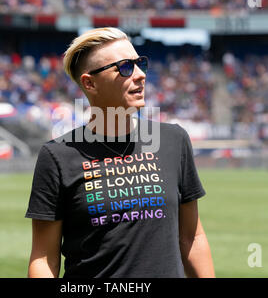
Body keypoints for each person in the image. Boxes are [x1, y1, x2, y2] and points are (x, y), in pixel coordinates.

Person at [25, 27, 215, 278]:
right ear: (89, 83)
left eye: (140, 64)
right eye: (125, 67)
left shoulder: (174, 140)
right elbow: (44, 259)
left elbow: (192, 237)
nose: (139, 75)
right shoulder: (57, 156)